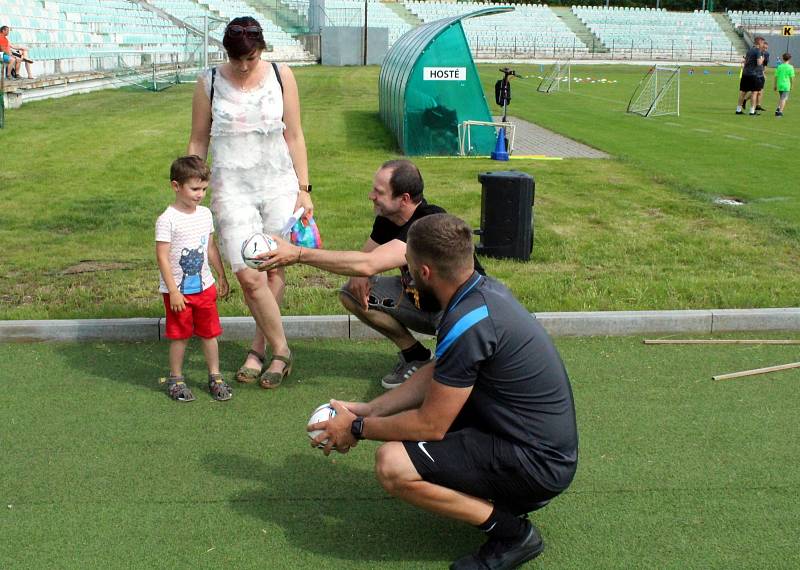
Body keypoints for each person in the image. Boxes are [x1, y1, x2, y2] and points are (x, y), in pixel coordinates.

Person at [308, 213, 578, 570]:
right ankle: (500, 498)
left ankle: (511, 533)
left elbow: (429, 425)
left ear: (425, 273)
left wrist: (356, 429)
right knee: (417, 431)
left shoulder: (468, 321)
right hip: (526, 441)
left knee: (392, 464)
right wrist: (370, 410)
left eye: (407, 268)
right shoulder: (480, 291)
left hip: (537, 465)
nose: (403, 277)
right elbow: (439, 369)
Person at [260, 159, 485, 389]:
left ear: (404, 199)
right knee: (351, 292)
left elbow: (368, 263)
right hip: (421, 302)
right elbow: (364, 261)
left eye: (379, 192)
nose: (371, 195)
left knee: (445, 386)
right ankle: (415, 355)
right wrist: (359, 275)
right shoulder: (388, 219)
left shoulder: (427, 223)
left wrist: (298, 254)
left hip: (462, 313)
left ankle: (448, 360)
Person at [187, 16, 312, 389]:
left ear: (262, 50)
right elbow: (197, 139)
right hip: (231, 187)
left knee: (274, 269)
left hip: (278, 182)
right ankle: (283, 347)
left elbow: (295, 134)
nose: (243, 65)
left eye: (251, 58)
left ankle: (259, 351)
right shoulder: (208, 81)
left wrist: (304, 188)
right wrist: (193, 183)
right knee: (248, 274)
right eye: (237, 58)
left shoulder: (281, 75)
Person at [155, 156, 232, 402]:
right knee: (180, 335)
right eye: (195, 189)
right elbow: (163, 258)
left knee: (210, 333)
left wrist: (221, 274)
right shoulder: (167, 220)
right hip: (178, 293)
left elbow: (210, 247)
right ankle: (176, 378)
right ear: (176, 186)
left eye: (204, 189)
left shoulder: (205, 214)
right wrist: (173, 291)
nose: (200, 194)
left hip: (205, 288)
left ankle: (215, 375)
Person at [737, 36, 765, 116]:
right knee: (754, 92)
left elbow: (745, 61)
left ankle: (738, 110)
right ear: (759, 43)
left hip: (745, 74)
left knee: (743, 92)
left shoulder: (749, 50)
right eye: (762, 42)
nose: (763, 44)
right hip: (753, 74)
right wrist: (762, 60)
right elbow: (759, 63)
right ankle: (752, 111)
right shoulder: (758, 51)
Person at [774, 53, 794, 117]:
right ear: (790, 59)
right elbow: (791, 77)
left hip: (780, 84)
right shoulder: (790, 67)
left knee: (782, 98)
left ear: (783, 58)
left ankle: (778, 109)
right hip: (786, 85)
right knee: (784, 99)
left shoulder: (779, 66)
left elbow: (776, 76)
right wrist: (792, 85)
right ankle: (780, 112)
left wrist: (775, 85)